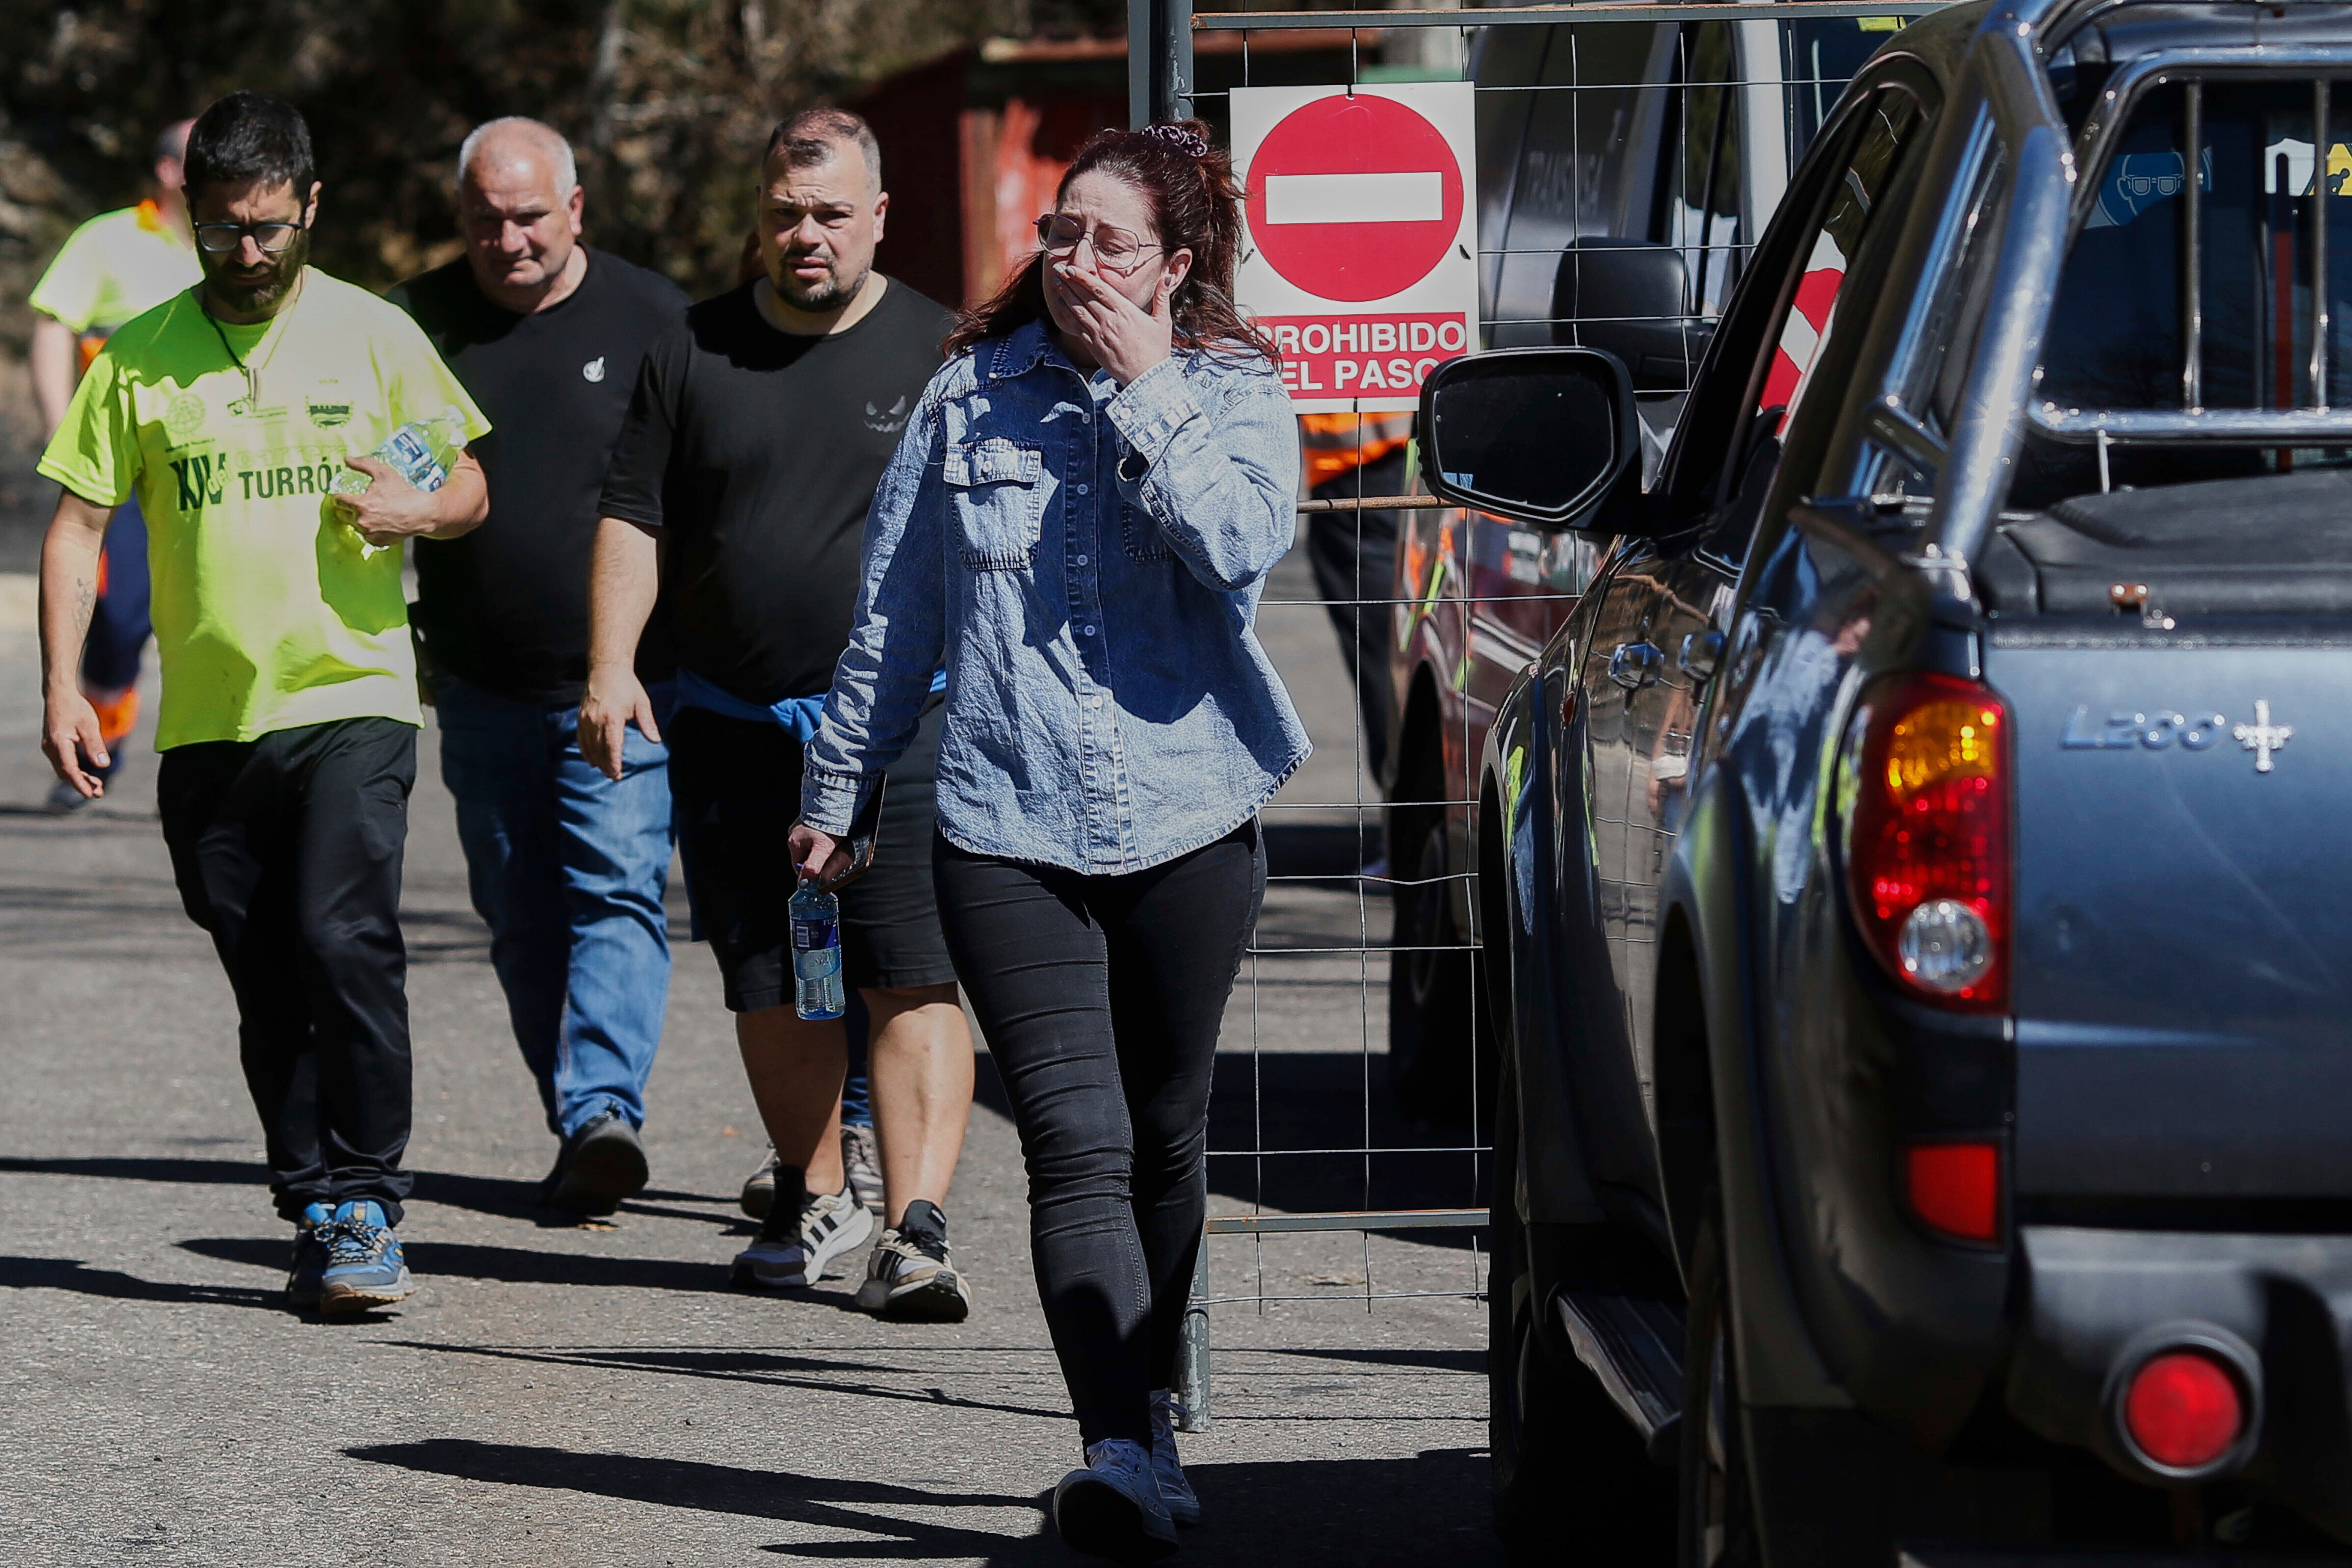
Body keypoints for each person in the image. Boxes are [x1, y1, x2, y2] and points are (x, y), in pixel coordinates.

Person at [789, 120, 1305, 1560]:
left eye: (1106, 240)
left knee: (1162, 1135)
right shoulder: (970, 397)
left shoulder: (1236, 392)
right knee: (1072, 1143)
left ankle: (1149, 1403)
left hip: (1190, 816)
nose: (1070, 260)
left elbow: (1241, 549)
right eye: (1056, 232)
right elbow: (894, 615)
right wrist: (837, 789)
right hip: (1005, 823)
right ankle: (1120, 1448)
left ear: (1175, 263)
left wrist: (1146, 391)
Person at [36, 92, 491, 1314]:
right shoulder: (137, 356)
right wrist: (64, 684)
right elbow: (78, 526)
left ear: (310, 207)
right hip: (208, 724)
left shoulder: (375, 336)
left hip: (352, 692)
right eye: (224, 230)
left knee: (345, 937)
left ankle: (366, 1199)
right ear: (190, 214)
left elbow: (466, 478)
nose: (248, 253)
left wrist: (421, 508)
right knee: (263, 968)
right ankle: (312, 1200)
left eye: (270, 228)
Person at [581, 107, 977, 1318]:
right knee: (771, 978)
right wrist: (610, 666)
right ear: (759, 218)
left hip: (909, 728)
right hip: (733, 724)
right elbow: (634, 517)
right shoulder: (689, 350)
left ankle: (915, 1229)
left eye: (830, 214)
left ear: (877, 217)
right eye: (785, 215)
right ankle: (821, 1196)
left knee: (909, 976)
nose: (806, 236)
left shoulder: (944, 350)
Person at [387, 117, 688, 1215]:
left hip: (616, 682)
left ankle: (603, 1106)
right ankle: (580, 1117)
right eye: (484, 220)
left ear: (574, 209)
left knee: (614, 890)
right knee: (519, 917)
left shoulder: (653, 318)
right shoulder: (418, 324)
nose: (507, 240)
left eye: (527, 217)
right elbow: (392, 463)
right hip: (477, 685)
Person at [28, 119, 199, 813]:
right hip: (125, 468)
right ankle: (101, 736)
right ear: (167, 172)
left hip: (209, 465)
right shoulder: (107, 239)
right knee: (122, 617)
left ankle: (217, 763)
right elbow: (51, 325)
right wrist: (58, 426)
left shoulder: (232, 245)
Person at [1300, 411, 1410, 800]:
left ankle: (1403, 823)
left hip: (1357, 475)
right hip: (1416, 460)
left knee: (1384, 665)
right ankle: (1411, 821)